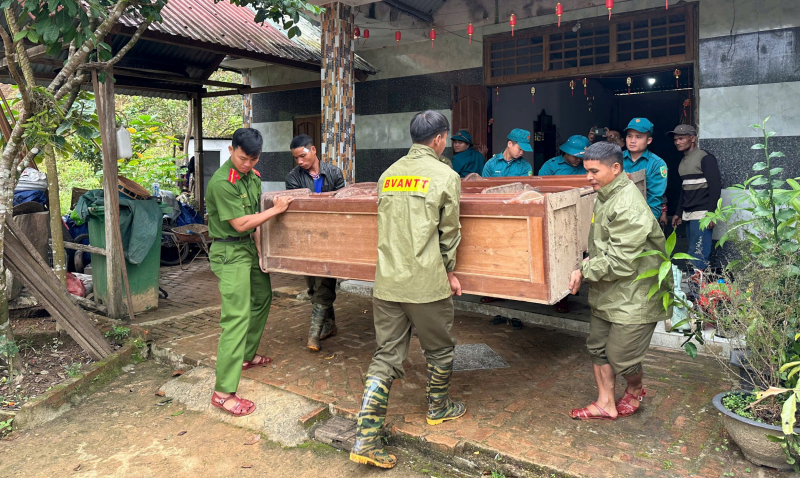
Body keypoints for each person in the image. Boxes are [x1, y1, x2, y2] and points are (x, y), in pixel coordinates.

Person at [350, 111, 465, 469]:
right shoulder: (446, 175)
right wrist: (450, 271)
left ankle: (366, 438)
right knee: (440, 349)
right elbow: (449, 232)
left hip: (387, 282)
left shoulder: (388, 175)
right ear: (439, 139)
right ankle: (438, 408)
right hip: (426, 282)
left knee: (386, 356)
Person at [567, 142, 668, 421]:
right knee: (597, 348)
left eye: (594, 171)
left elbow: (621, 261)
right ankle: (605, 403)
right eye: (586, 170)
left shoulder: (627, 204)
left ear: (615, 168)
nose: (588, 177)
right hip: (610, 288)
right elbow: (606, 245)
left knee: (622, 356)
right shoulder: (606, 193)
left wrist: (584, 270)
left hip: (636, 292)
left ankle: (634, 388)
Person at [206, 128, 293, 417]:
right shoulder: (222, 183)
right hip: (229, 253)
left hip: (247, 248)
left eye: (253, 159)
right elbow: (242, 223)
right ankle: (223, 392)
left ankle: (245, 355)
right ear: (231, 150)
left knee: (263, 297)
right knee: (236, 318)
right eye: (243, 158)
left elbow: (254, 223)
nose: (247, 164)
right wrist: (276, 210)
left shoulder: (252, 178)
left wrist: (260, 253)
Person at [285, 135, 346, 352]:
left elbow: (342, 203)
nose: (299, 161)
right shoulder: (293, 177)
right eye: (296, 158)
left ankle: (314, 335)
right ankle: (330, 324)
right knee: (312, 285)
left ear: (313, 150)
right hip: (307, 237)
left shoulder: (334, 173)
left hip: (331, 237)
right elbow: (299, 208)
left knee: (325, 281)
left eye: (302, 156)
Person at [669, 124, 721, 276]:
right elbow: (684, 189)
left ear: (692, 138)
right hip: (688, 213)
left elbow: (715, 187)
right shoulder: (683, 162)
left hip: (702, 214)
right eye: (675, 139)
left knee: (698, 253)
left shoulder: (705, 158)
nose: (677, 142)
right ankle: (695, 285)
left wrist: (711, 214)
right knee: (693, 252)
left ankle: (699, 287)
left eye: (681, 138)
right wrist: (679, 212)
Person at [622, 118, 668, 220]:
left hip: (642, 218)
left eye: (638, 137)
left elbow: (655, 199)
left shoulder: (657, 164)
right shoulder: (616, 159)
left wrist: (645, 222)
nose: (632, 141)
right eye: (629, 136)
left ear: (648, 140)